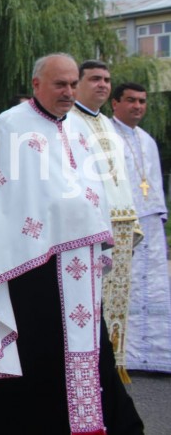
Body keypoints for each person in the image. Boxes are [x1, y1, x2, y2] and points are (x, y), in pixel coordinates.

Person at [0, 54, 142, 434]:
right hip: (33, 263)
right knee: (37, 351)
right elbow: (2, 197)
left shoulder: (77, 127)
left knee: (90, 346)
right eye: (60, 84)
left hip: (80, 262)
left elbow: (94, 190)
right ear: (37, 84)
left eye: (74, 84)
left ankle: (94, 419)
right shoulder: (9, 126)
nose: (69, 92)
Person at [72, 61, 142, 380]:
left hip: (121, 225)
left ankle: (109, 369)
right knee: (85, 304)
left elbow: (120, 176)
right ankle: (83, 369)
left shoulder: (109, 127)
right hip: (90, 229)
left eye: (107, 80)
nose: (103, 84)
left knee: (114, 303)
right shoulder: (68, 122)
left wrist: (132, 221)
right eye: (95, 79)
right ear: (78, 83)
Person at [111, 82, 171, 374]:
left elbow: (154, 182)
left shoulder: (147, 139)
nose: (138, 106)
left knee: (155, 288)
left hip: (152, 222)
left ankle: (158, 354)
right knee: (126, 287)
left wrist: (160, 217)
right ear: (115, 104)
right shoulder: (107, 136)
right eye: (131, 100)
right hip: (125, 224)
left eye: (142, 101)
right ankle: (125, 353)